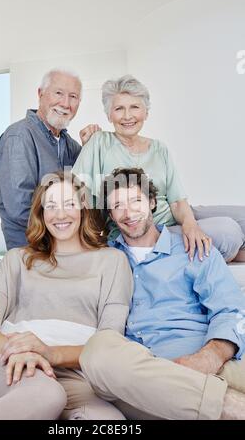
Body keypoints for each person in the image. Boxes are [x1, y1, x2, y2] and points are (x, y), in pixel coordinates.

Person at [79, 167, 245, 420]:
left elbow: (231, 310)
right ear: (110, 215)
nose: (129, 213)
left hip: (209, 360)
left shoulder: (195, 247)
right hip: (146, 377)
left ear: (152, 202)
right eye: (118, 206)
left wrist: (209, 357)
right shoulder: (106, 260)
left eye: (136, 201)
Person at [0, 170, 133, 420]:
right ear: (41, 213)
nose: (61, 214)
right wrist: (21, 350)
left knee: (111, 423)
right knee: (47, 396)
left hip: (77, 374)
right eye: (51, 206)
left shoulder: (112, 261)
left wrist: (49, 352)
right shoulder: (17, 259)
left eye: (69, 204)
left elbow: (110, 341)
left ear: (83, 208)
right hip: (9, 363)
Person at [0, 68, 100, 339]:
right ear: (40, 95)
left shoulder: (69, 145)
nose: (65, 102)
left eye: (73, 96)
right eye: (58, 93)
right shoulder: (19, 137)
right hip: (32, 258)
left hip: (63, 256)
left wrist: (90, 147)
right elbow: (19, 208)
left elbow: (83, 193)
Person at [72, 75, 245, 263]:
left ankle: (227, 252)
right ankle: (230, 254)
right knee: (227, 231)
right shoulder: (98, 143)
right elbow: (77, 194)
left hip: (176, 212)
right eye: (119, 108)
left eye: (135, 107)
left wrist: (190, 225)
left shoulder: (159, 148)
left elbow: (177, 201)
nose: (127, 116)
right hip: (150, 227)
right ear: (109, 115)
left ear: (146, 112)